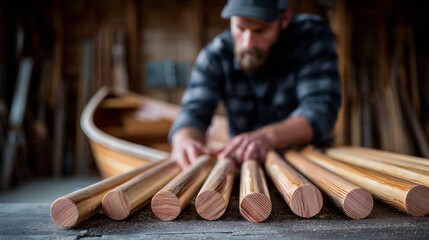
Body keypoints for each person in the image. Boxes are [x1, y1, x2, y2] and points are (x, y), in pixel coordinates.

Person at [169, 0, 341, 169]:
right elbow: (193, 112)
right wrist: (184, 140)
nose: (248, 43)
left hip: (306, 165)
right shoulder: (216, 55)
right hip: (244, 166)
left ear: (285, 18)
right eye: (240, 28)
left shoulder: (310, 36)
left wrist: (267, 137)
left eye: (261, 30)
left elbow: (320, 110)